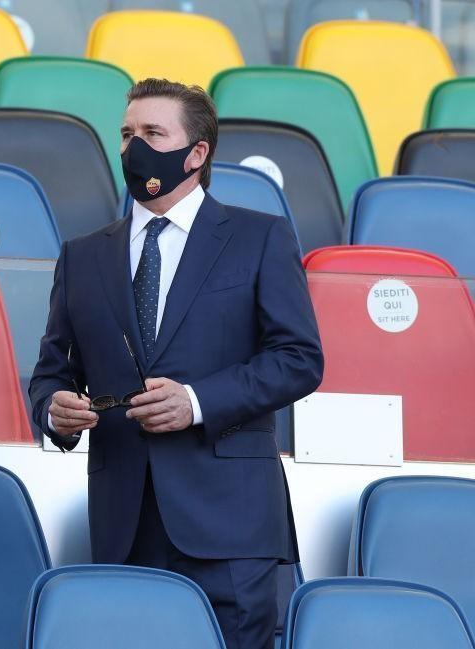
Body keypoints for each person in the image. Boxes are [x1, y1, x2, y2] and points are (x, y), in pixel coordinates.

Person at [29, 78, 323, 649]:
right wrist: (52, 410)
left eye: (152, 133)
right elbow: (51, 372)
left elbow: (299, 359)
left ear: (196, 153)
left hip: (230, 527)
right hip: (124, 524)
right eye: (126, 134)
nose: (133, 147)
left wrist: (196, 402)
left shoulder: (259, 237)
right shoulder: (83, 255)